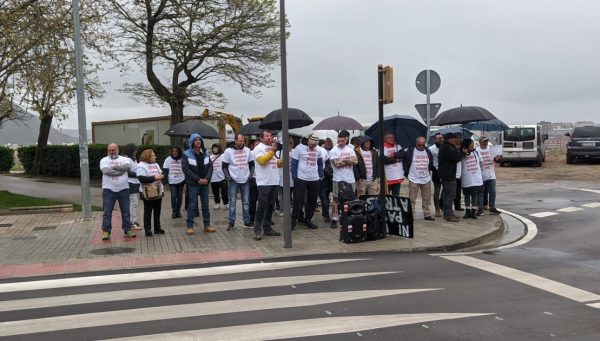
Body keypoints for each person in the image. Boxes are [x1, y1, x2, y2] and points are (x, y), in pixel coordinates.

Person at [99, 143, 135, 240]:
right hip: (108, 189)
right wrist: (121, 171)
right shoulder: (104, 160)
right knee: (107, 212)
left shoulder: (125, 159)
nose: (111, 152)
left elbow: (128, 167)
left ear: (118, 150)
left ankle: (127, 230)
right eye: (109, 150)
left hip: (124, 189)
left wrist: (114, 168)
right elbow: (106, 171)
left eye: (113, 150)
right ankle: (106, 231)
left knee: (126, 211)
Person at [182, 133, 214, 235]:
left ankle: (207, 225)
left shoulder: (206, 153)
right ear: (192, 142)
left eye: (199, 140)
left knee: (205, 205)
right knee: (192, 205)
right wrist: (198, 179)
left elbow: (210, 167)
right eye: (196, 140)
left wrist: (207, 179)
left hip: (205, 183)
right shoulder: (186, 154)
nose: (198, 141)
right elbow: (186, 169)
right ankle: (190, 226)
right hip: (193, 184)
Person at [252, 130, 282, 240]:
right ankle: (257, 229)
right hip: (264, 182)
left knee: (271, 206)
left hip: (274, 181)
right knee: (262, 206)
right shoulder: (258, 148)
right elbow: (262, 161)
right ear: (261, 138)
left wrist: (284, 158)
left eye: (271, 135)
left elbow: (276, 163)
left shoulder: (271, 148)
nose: (269, 137)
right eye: (267, 136)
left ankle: (267, 228)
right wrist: (272, 151)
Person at [291, 134, 323, 229]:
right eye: (312, 145)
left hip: (314, 179)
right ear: (308, 141)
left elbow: (320, 162)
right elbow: (294, 163)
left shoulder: (318, 149)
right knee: (298, 200)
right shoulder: (299, 148)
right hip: (301, 178)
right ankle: (293, 219)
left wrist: (320, 174)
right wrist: (294, 177)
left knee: (312, 201)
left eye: (315, 145)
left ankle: (308, 219)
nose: (313, 147)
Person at [222, 133, 253, 230]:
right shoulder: (228, 151)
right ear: (235, 141)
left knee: (246, 202)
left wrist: (250, 176)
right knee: (232, 202)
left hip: (245, 179)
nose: (242, 142)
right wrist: (228, 177)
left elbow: (252, 164)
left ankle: (247, 222)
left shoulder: (248, 150)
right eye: (240, 140)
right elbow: (224, 166)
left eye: (243, 140)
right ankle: (231, 222)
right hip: (233, 179)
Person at [329, 130, 358, 228]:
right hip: (338, 179)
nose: (340, 143)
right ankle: (334, 219)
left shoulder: (350, 149)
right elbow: (337, 164)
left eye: (342, 141)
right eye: (339, 140)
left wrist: (343, 160)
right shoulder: (334, 150)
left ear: (346, 139)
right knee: (336, 199)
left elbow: (356, 161)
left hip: (350, 179)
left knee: (350, 199)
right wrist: (348, 160)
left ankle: (348, 218)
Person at [403, 137, 435, 221]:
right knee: (412, 198)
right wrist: (407, 174)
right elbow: (405, 163)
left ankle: (427, 214)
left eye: (423, 145)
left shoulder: (427, 151)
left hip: (426, 178)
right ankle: (411, 214)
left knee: (426, 198)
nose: (421, 146)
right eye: (420, 145)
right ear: (416, 143)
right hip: (414, 178)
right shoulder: (410, 151)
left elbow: (430, 163)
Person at [438, 133, 467, 222]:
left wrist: (459, 150)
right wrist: (463, 153)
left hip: (447, 174)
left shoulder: (448, 146)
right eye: (455, 138)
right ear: (449, 139)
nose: (456, 140)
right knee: (451, 195)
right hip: (448, 175)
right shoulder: (447, 147)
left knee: (447, 195)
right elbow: (455, 157)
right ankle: (449, 214)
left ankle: (448, 213)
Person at [136, 149, 165, 236]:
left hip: (158, 190)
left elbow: (161, 174)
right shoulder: (141, 165)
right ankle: (147, 229)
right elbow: (142, 179)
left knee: (157, 210)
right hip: (147, 192)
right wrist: (155, 177)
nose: (155, 157)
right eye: (153, 155)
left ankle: (157, 228)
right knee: (148, 211)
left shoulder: (155, 164)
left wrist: (162, 176)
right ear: (148, 156)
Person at [476, 136, 501, 215]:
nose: (486, 143)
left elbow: (496, 160)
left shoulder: (490, 148)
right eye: (484, 141)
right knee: (481, 193)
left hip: (491, 174)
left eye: (486, 141)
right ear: (480, 142)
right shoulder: (477, 150)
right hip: (481, 175)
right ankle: (480, 208)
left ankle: (492, 207)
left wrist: (497, 158)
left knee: (492, 192)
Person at [460, 138, 484, 219]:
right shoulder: (461, 153)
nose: (473, 146)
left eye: (473, 144)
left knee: (475, 195)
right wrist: (463, 153)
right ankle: (467, 212)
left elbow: (481, 162)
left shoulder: (476, 152)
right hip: (467, 178)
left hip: (476, 178)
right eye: (471, 144)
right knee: (467, 195)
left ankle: (473, 212)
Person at [122, 143, 142, 230]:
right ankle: (130, 222)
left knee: (133, 203)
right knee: (133, 203)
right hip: (130, 183)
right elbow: (127, 172)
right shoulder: (126, 159)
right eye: (135, 150)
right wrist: (139, 174)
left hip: (135, 183)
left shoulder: (133, 159)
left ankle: (132, 220)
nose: (136, 151)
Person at [163, 146, 185, 219]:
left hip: (181, 180)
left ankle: (178, 212)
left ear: (179, 152)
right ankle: (174, 211)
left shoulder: (183, 159)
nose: (174, 153)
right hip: (172, 181)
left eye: (176, 151)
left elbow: (186, 169)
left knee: (180, 196)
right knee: (173, 196)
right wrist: (165, 182)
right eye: (173, 151)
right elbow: (165, 171)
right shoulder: (168, 160)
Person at [209, 143, 229, 210]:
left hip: (222, 177)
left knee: (224, 192)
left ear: (219, 148)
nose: (215, 149)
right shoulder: (210, 157)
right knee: (215, 192)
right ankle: (217, 203)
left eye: (216, 148)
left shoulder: (222, 156)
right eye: (213, 148)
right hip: (213, 178)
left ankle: (226, 203)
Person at [429, 132, 443, 217]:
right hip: (436, 171)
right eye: (439, 138)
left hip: (445, 171)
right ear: (435, 139)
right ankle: (437, 209)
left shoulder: (445, 147)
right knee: (437, 190)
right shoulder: (431, 149)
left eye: (441, 138)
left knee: (446, 190)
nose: (441, 139)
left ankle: (443, 206)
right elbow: (429, 161)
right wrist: (433, 168)